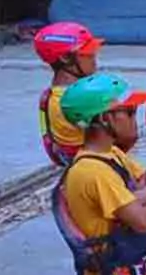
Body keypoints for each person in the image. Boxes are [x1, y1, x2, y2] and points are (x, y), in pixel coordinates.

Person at [53, 73, 146, 275]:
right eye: (129, 112)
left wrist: (140, 196)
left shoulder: (111, 154)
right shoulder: (95, 172)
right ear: (104, 118)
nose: (135, 119)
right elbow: (143, 221)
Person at [33, 22, 104, 167]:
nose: (94, 59)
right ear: (65, 58)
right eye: (87, 54)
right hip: (93, 166)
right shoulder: (76, 101)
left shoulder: (51, 94)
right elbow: (121, 136)